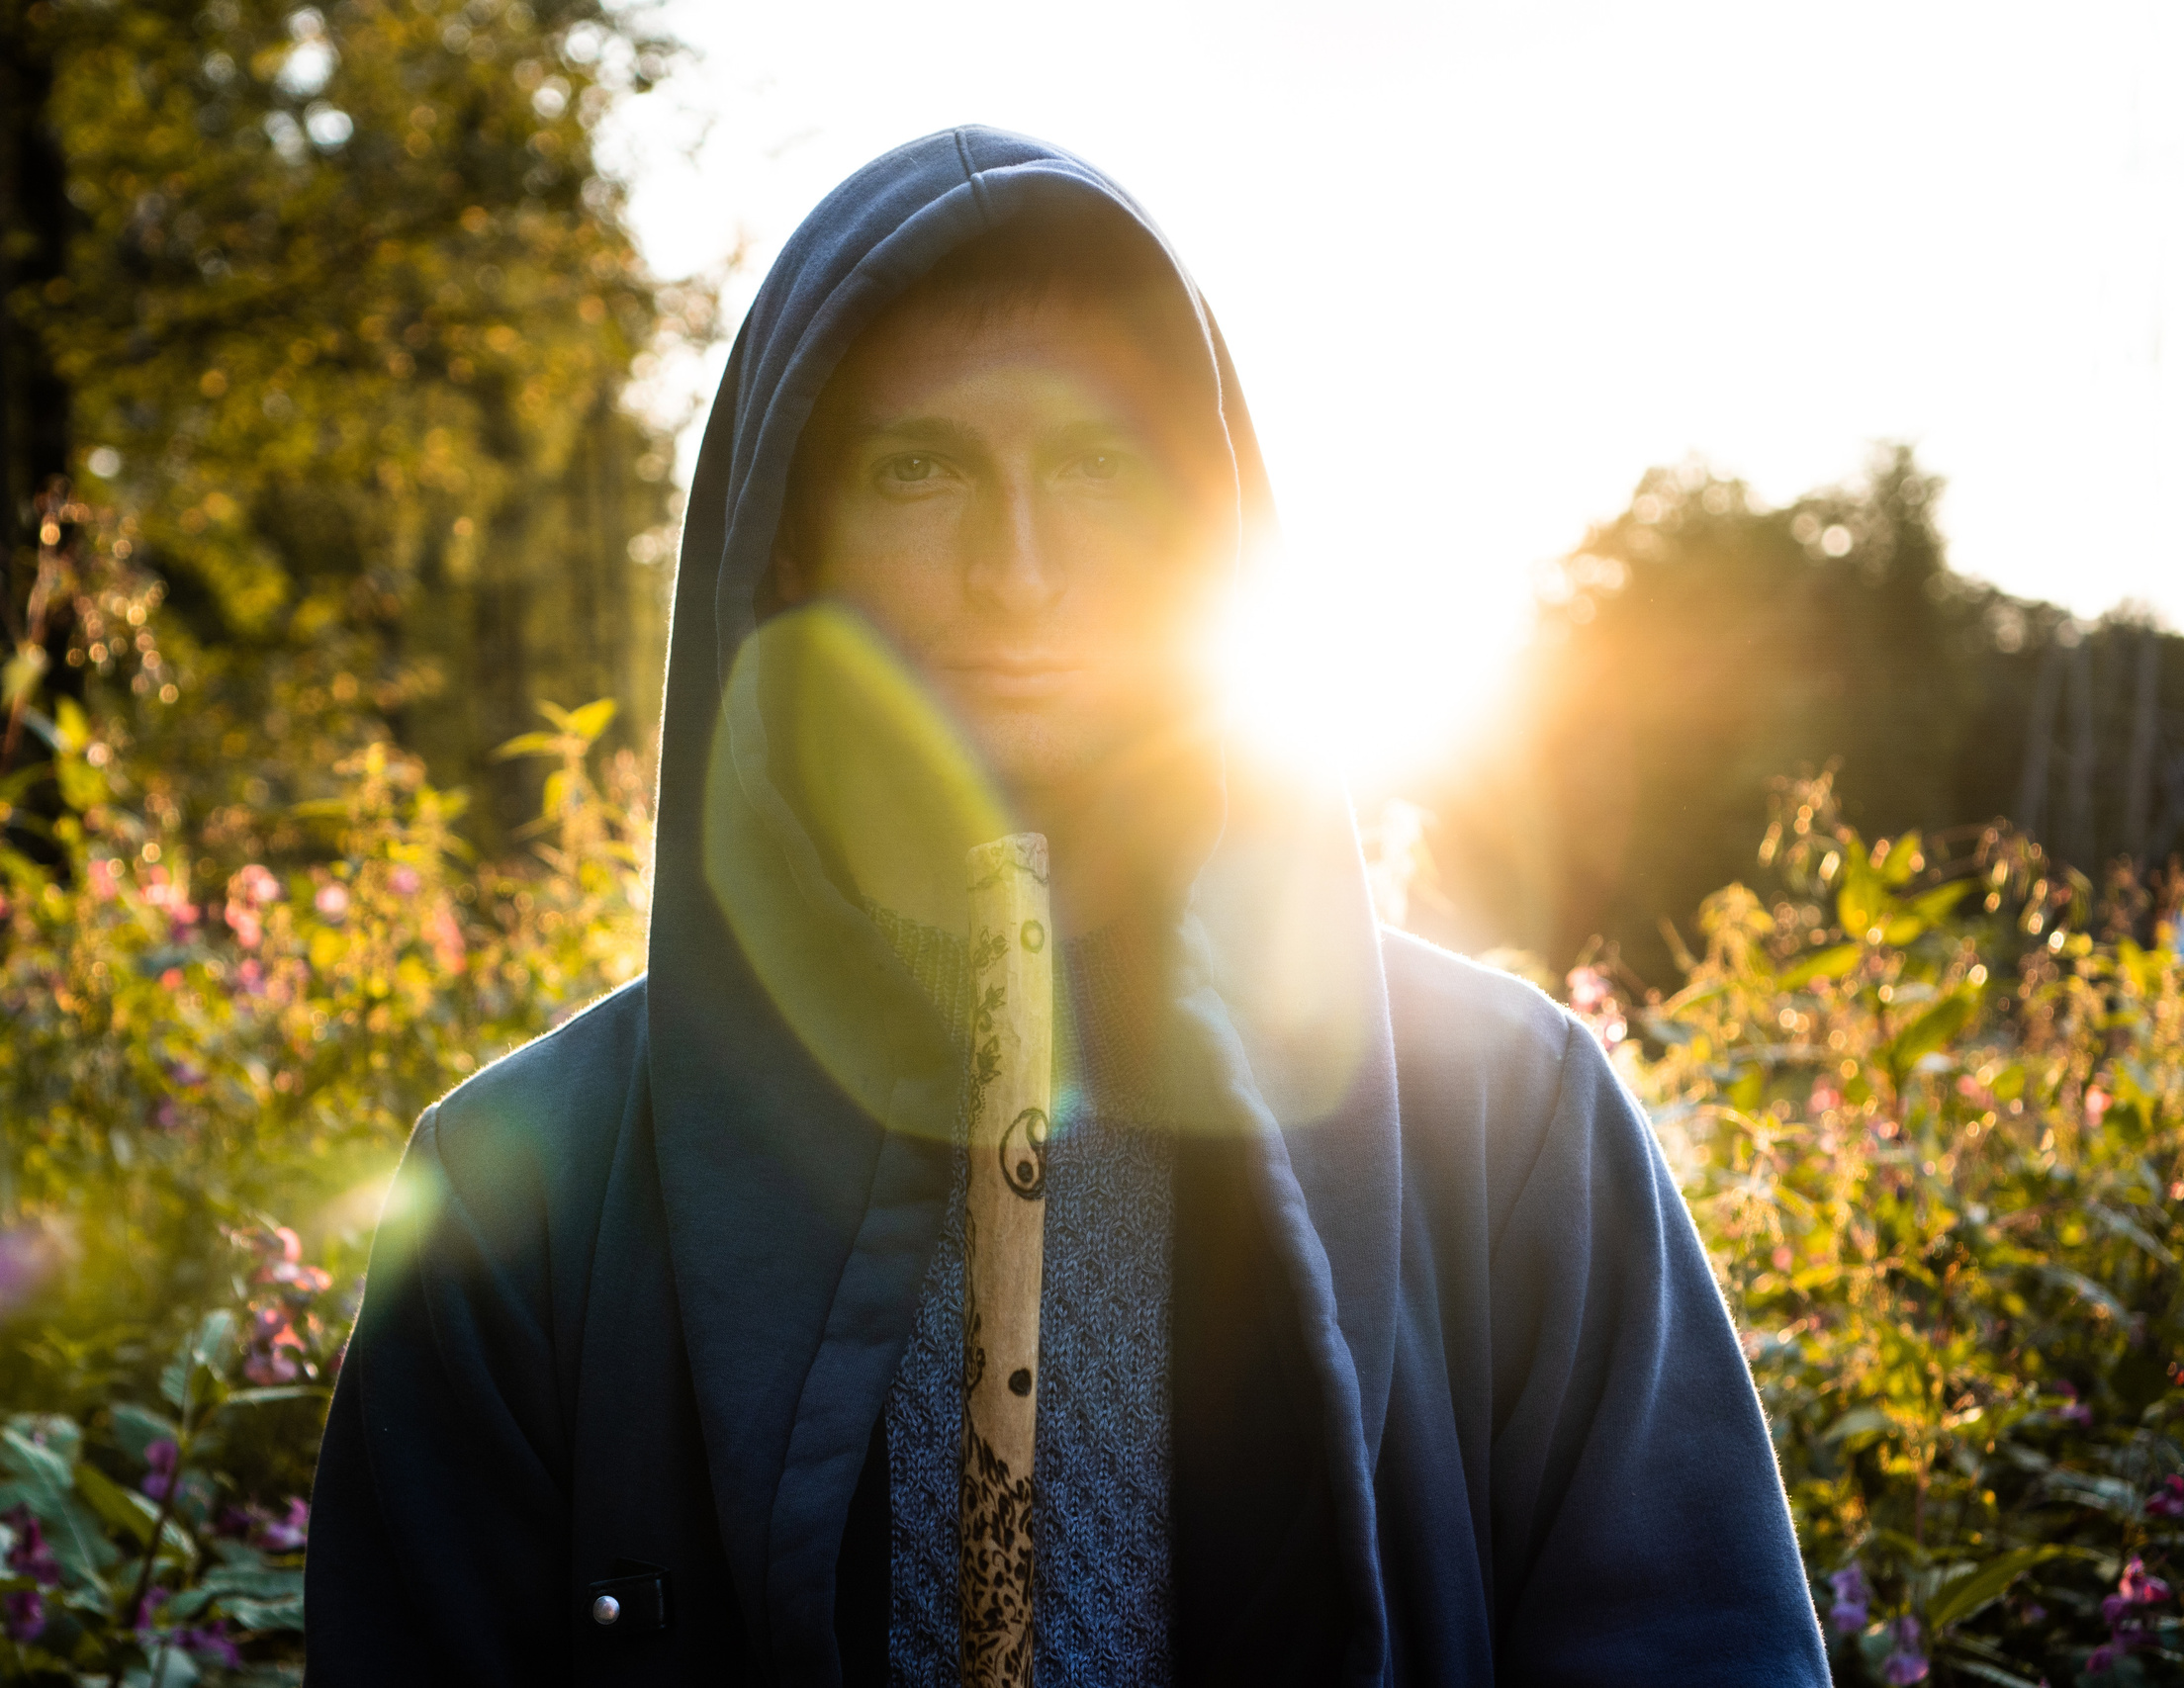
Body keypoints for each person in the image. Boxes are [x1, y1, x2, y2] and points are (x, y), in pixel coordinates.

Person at [304, 128, 1833, 1686]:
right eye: (920, 469)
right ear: (785, 547)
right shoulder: (519, 1196)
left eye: (1094, 466)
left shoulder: (1511, 1130)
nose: (1018, 572)